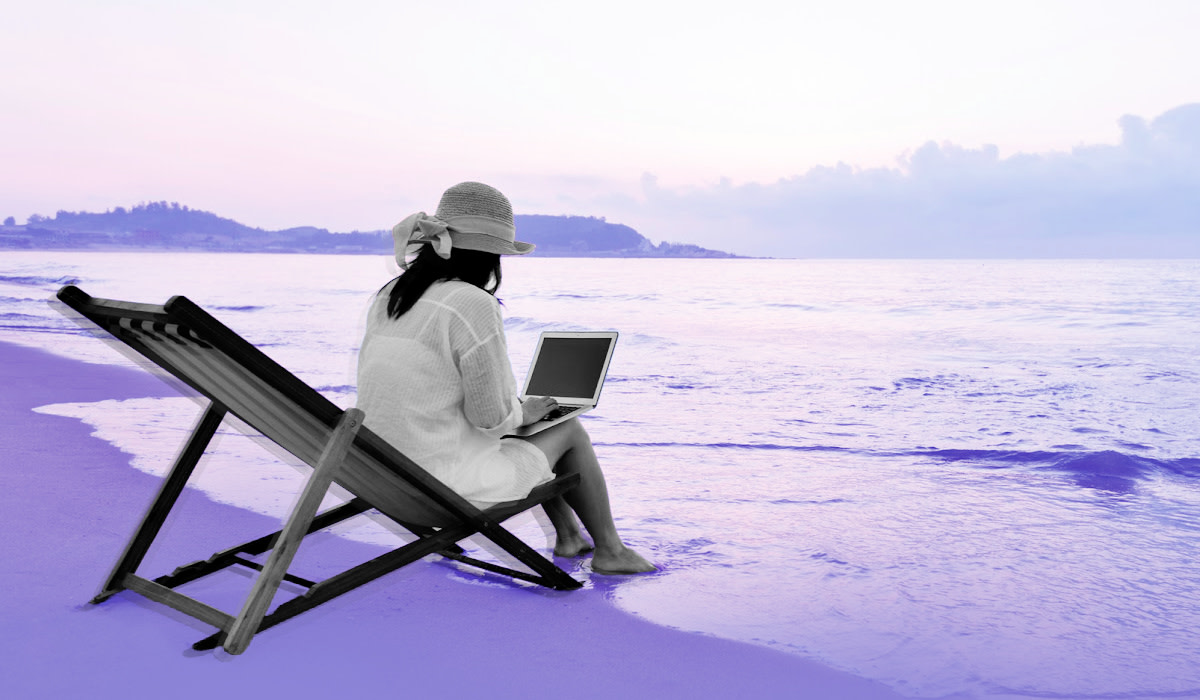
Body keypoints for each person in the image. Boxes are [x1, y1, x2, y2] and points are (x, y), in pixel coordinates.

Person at [356, 181, 655, 575]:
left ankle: (569, 536)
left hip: (385, 476)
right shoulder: (473, 302)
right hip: (442, 488)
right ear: (491, 255)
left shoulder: (392, 294)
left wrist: (521, 413)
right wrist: (524, 411)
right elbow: (491, 418)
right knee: (568, 429)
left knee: (529, 427)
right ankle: (611, 550)